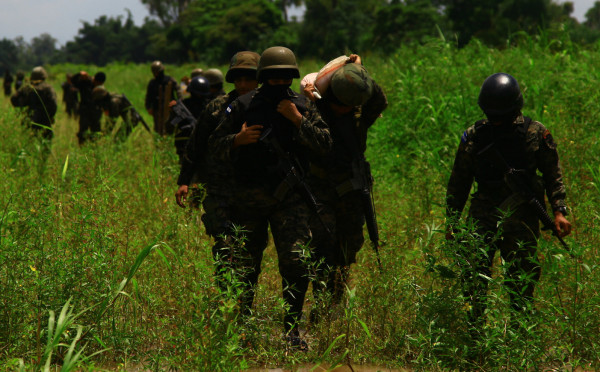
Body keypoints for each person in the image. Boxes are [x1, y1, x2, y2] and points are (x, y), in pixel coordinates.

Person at [208, 46, 332, 348]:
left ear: (291, 76)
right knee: (244, 267)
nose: (278, 83)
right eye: (272, 77)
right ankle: (242, 331)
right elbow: (212, 149)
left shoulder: (302, 105)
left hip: (289, 200)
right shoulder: (241, 106)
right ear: (263, 77)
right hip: (247, 200)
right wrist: (236, 140)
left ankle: (291, 331)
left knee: (295, 263)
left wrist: (298, 121)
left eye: (284, 77)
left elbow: (326, 144)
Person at [445, 72, 572, 335]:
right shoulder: (475, 135)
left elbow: (552, 174)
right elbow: (459, 181)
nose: (496, 119)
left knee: (522, 282)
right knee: (474, 278)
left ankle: (520, 334)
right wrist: (451, 220)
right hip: (482, 216)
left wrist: (559, 211)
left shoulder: (535, 133)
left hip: (523, 216)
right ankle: (475, 334)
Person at [176, 51, 268, 299]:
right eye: (237, 78)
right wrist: (184, 181)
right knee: (225, 248)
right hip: (219, 191)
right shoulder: (216, 108)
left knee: (251, 252)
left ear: (259, 79)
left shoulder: (269, 107)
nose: (243, 84)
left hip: (255, 193)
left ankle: (245, 308)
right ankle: (225, 301)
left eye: (249, 78)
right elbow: (195, 146)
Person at [305, 56, 388, 317]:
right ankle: (319, 304)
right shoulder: (314, 112)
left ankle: (335, 303)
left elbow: (378, 99)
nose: (347, 108)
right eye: (342, 104)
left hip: (351, 189)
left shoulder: (358, 118)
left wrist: (356, 72)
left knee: (348, 247)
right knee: (321, 246)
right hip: (321, 190)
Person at [167, 75, 212, 163]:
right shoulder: (182, 106)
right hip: (187, 148)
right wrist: (172, 112)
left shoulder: (210, 106)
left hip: (201, 148)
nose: (198, 96)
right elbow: (169, 127)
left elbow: (169, 128)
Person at [10, 66, 57, 140]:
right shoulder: (48, 88)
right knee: (45, 146)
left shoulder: (28, 88)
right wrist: (50, 116)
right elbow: (54, 104)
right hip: (45, 122)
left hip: (30, 121)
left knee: (29, 145)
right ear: (44, 76)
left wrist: (23, 102)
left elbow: (14, 100)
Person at [145, 61, 181, 135]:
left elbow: (178, 91)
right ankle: (160, 143)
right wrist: (148, 107)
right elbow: (148, 96)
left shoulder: (170, 80)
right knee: (158, 129)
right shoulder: (152, 83)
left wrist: (179, 102)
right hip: (157, 109)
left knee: (170, 128)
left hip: (170, 108)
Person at [72, 71, 105, 144]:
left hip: (95, 113)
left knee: (96, 133)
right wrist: (79, 74)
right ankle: (82, 148)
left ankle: (94, 147)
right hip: (85, 112)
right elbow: (72, 81)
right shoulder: (85, 82)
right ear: (95, 80)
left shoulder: (100, 88)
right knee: (83, 132)